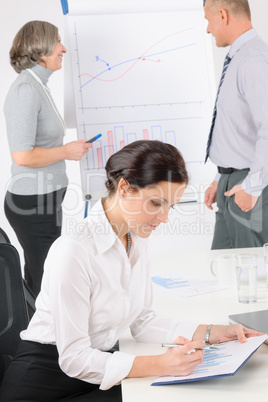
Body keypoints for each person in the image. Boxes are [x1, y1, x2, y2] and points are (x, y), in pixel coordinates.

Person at [0, 140, 261, 401]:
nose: (164, 218)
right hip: (44, 384)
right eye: (156, 203)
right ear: (124, 188)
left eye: (170, 206)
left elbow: (142, 320)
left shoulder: (134, 237)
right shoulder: (74, 250)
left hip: (97, 371)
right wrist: (160, 364)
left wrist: (211, 332)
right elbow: (74, 358)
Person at [3, 21, 92, 297]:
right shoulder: (25, 90)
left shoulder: (38, 85)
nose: (63, 48)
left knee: (41, 280)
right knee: (48, 284)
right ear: (40, 50)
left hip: (46, 201)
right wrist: (67, 151)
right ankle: (49, 339)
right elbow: (22, 155)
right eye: (57, 42)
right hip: (33, 206)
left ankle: (39, 337)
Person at [203, 0, 268, 249]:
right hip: (232, 183)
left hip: (251, 185)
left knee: (254, 280)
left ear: (222, 15)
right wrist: (221, 177)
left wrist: (252, 187)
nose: (208, 29)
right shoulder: (239, 57)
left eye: (208, 20)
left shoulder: (253, 59)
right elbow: (239, 129)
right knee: (223, 273)